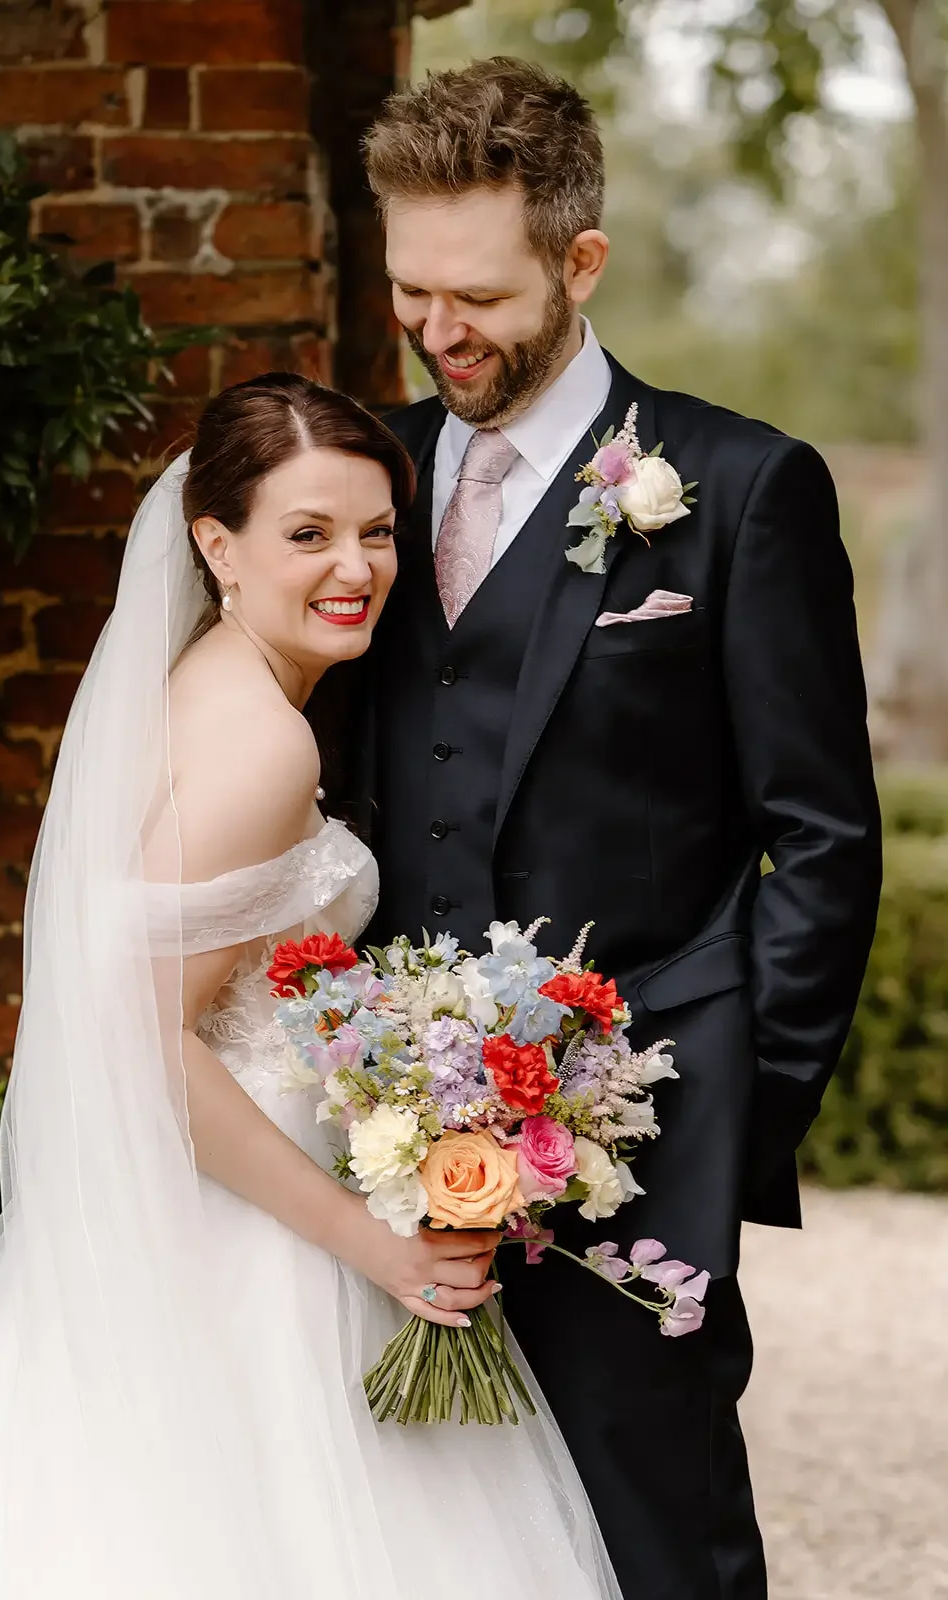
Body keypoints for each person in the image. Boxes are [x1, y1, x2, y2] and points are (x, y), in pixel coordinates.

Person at [0, 374, 622, 1600]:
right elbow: (144, 1039)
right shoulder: (262, 743)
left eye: (377, 531)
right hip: (252, 1241)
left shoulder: (214, 690)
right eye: (308, 534)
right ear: (216, 544)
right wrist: (369, 1245)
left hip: (228, 1200)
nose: (355, 568)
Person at [353, 57, 883, 1600]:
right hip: (374, 1144)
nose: (439, 332)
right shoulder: (357, 482)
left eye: (477, 295)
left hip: (627, 1152)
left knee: (660, 1551)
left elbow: (821, 844)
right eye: (407, 292)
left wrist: (715, 1121)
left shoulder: (735, 488)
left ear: (579, 262)